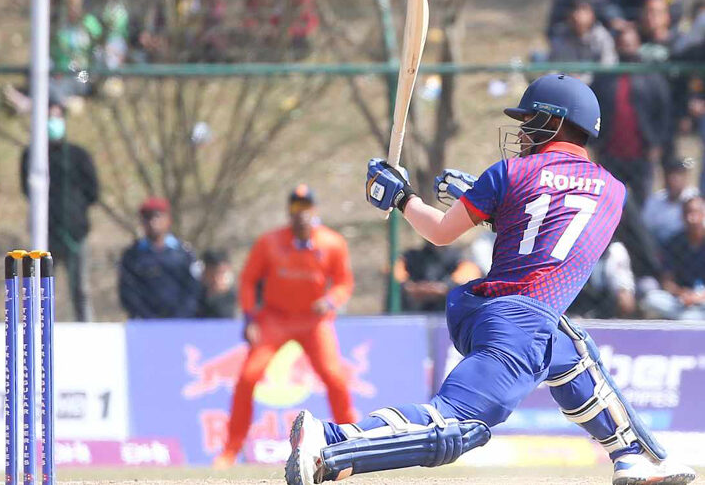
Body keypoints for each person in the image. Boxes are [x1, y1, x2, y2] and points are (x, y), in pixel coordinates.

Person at [284, 75, 696, 485]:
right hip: (522, 319)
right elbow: (560, 224)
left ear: (556, 122)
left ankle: (633, 456)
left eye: (530, 120)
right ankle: (329, 442)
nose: (522, 132)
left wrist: (403, 198)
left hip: (499, 314)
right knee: (456, 426)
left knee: (572, 354)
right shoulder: (614, 191)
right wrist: (502, 211)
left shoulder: (509, 173)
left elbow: (441, 232)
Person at [215, 185, 355, 469]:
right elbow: (248, 280)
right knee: (248, 377)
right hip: (275, 319)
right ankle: (231, 449)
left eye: (305, 207)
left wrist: (330, 300)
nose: (301, 213)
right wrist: (249, 318)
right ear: (289, 212)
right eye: (295, 207)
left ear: (314, 211)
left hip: (313, 321)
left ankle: (351, 443)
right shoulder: (270, 242)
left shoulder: (332, 243)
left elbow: (344, 282)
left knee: (335, 377)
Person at [13, 95, 100, 321]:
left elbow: (93, 192)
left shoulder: (78, 155)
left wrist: (75, 212)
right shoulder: (32, 155)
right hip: (45, 232)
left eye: (57, 116)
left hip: (75, 233)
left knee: (81, 289)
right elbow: (27, 190)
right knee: (42, 288)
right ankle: (41, 327)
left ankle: (86, 327)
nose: (53, 121)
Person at [591, 27, 672, 206]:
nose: (626, 48)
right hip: (610, 152)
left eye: (630, 44)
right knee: (610, 201)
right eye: (622, 44)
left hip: (642, 153)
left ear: (638, 44)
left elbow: (663, 113)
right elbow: (594, 110)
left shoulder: (652, 78)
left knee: (643, 201)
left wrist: (657, 143)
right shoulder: (604, 79)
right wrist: (596, 143)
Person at [118, 197, 200, 319]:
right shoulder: (132, 255)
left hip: (182, 322)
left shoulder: (184, 253)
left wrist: (181, 317)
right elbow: (128, 292)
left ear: (168, 219)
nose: (153, 222)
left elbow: (194, 289)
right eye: (147, 218)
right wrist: (149, 318)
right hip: (145, 323)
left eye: (157, 216)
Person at [642, 196, 705, 320]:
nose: (691, 218)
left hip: (702, 300)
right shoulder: (674, 243)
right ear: (681, 216)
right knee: (651, 299)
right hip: (681, 301)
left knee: (689, 317)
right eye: (687, 213)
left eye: (695, 213)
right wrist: (682, 293)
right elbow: (667, 282)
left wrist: (697, 297)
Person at [394, 243, 483, 312]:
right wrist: (415, 289)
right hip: (414, 315)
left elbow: (467, 279)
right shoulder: (411, 256)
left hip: (449, 314)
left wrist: (444, 288)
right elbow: (399, 280)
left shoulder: (461, 256)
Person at [569, 240, 638, 319]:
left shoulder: (615, 250)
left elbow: (626, 299)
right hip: (576, 307)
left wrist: (623, 291)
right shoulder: (575, 247)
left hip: (605, 308)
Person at [548, 0, 617, 77]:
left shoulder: (601, 36)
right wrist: (566, 78)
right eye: (574, 10)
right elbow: (553, 68)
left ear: (592, 15)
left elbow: (608, 66)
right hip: (566, 80)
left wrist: (584, 79)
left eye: (583, 10)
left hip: (595, 82)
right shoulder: (560, 35)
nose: (577, 16)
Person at [643, 157, 699, 244]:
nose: (674, 180)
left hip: (687, 246)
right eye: (670, 175)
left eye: (678, 175)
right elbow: (645, 227)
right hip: (658, 245)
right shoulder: (655, 200)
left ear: (685, 177)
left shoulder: (696, 200)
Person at [196, 249, 237, 318]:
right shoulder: (194, 298)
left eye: (221, 273)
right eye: (211, 274)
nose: (216, 279)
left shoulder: (237, 299)